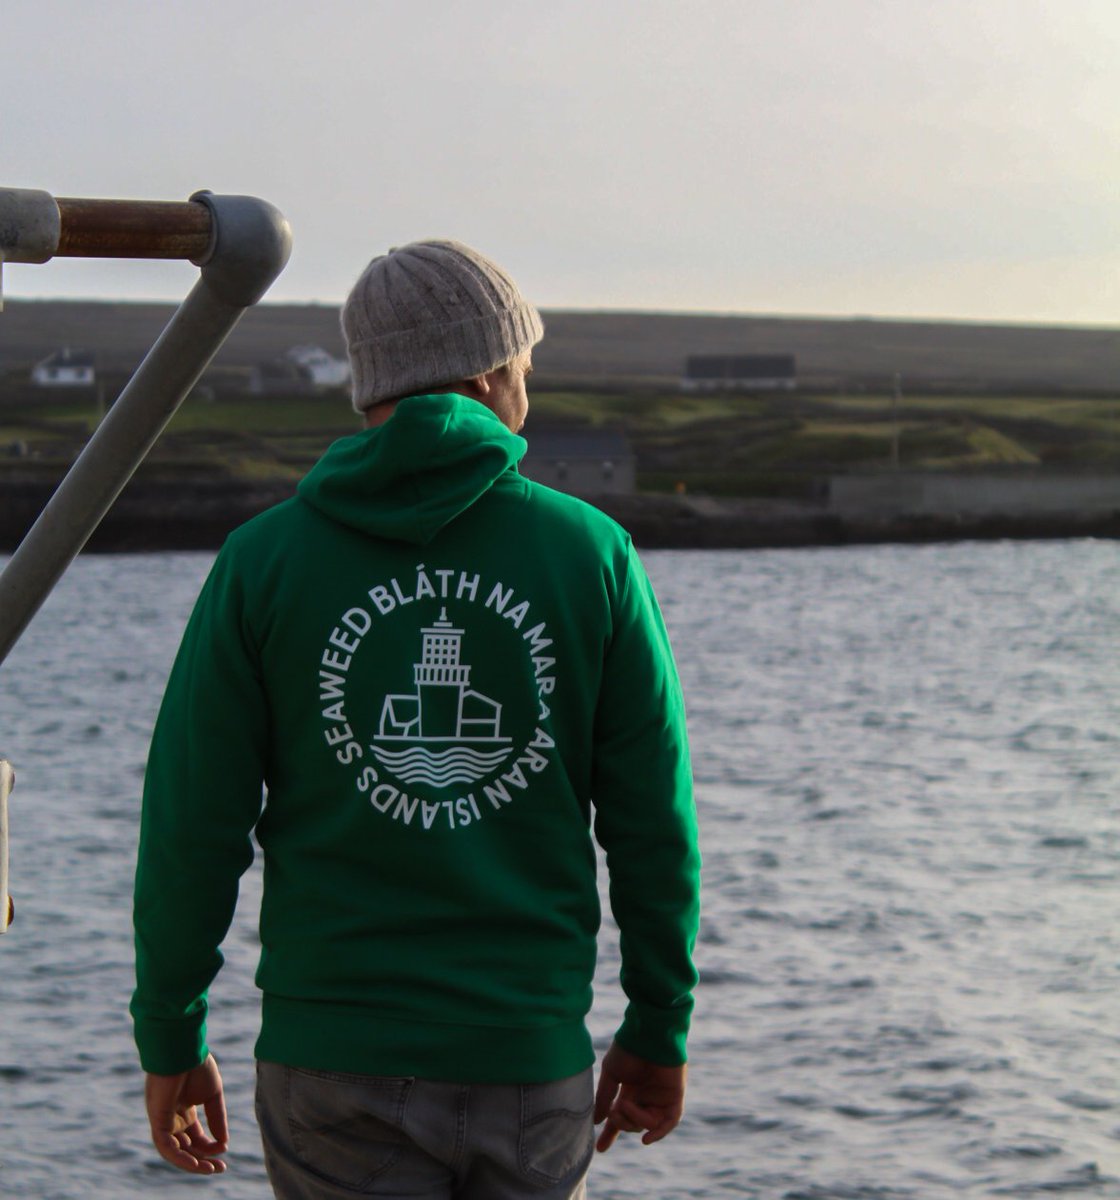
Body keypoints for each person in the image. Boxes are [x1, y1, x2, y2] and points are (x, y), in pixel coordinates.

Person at [131, 240, 700, 1198]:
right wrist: (656, 1026)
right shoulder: (592, 553)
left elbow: (192, 823)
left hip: (330, 1058)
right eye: (526, 363)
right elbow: (652, 823)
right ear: (488, 372)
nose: (531, 386)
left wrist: (171, 1033)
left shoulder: (262, 563)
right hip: (527, 1050)